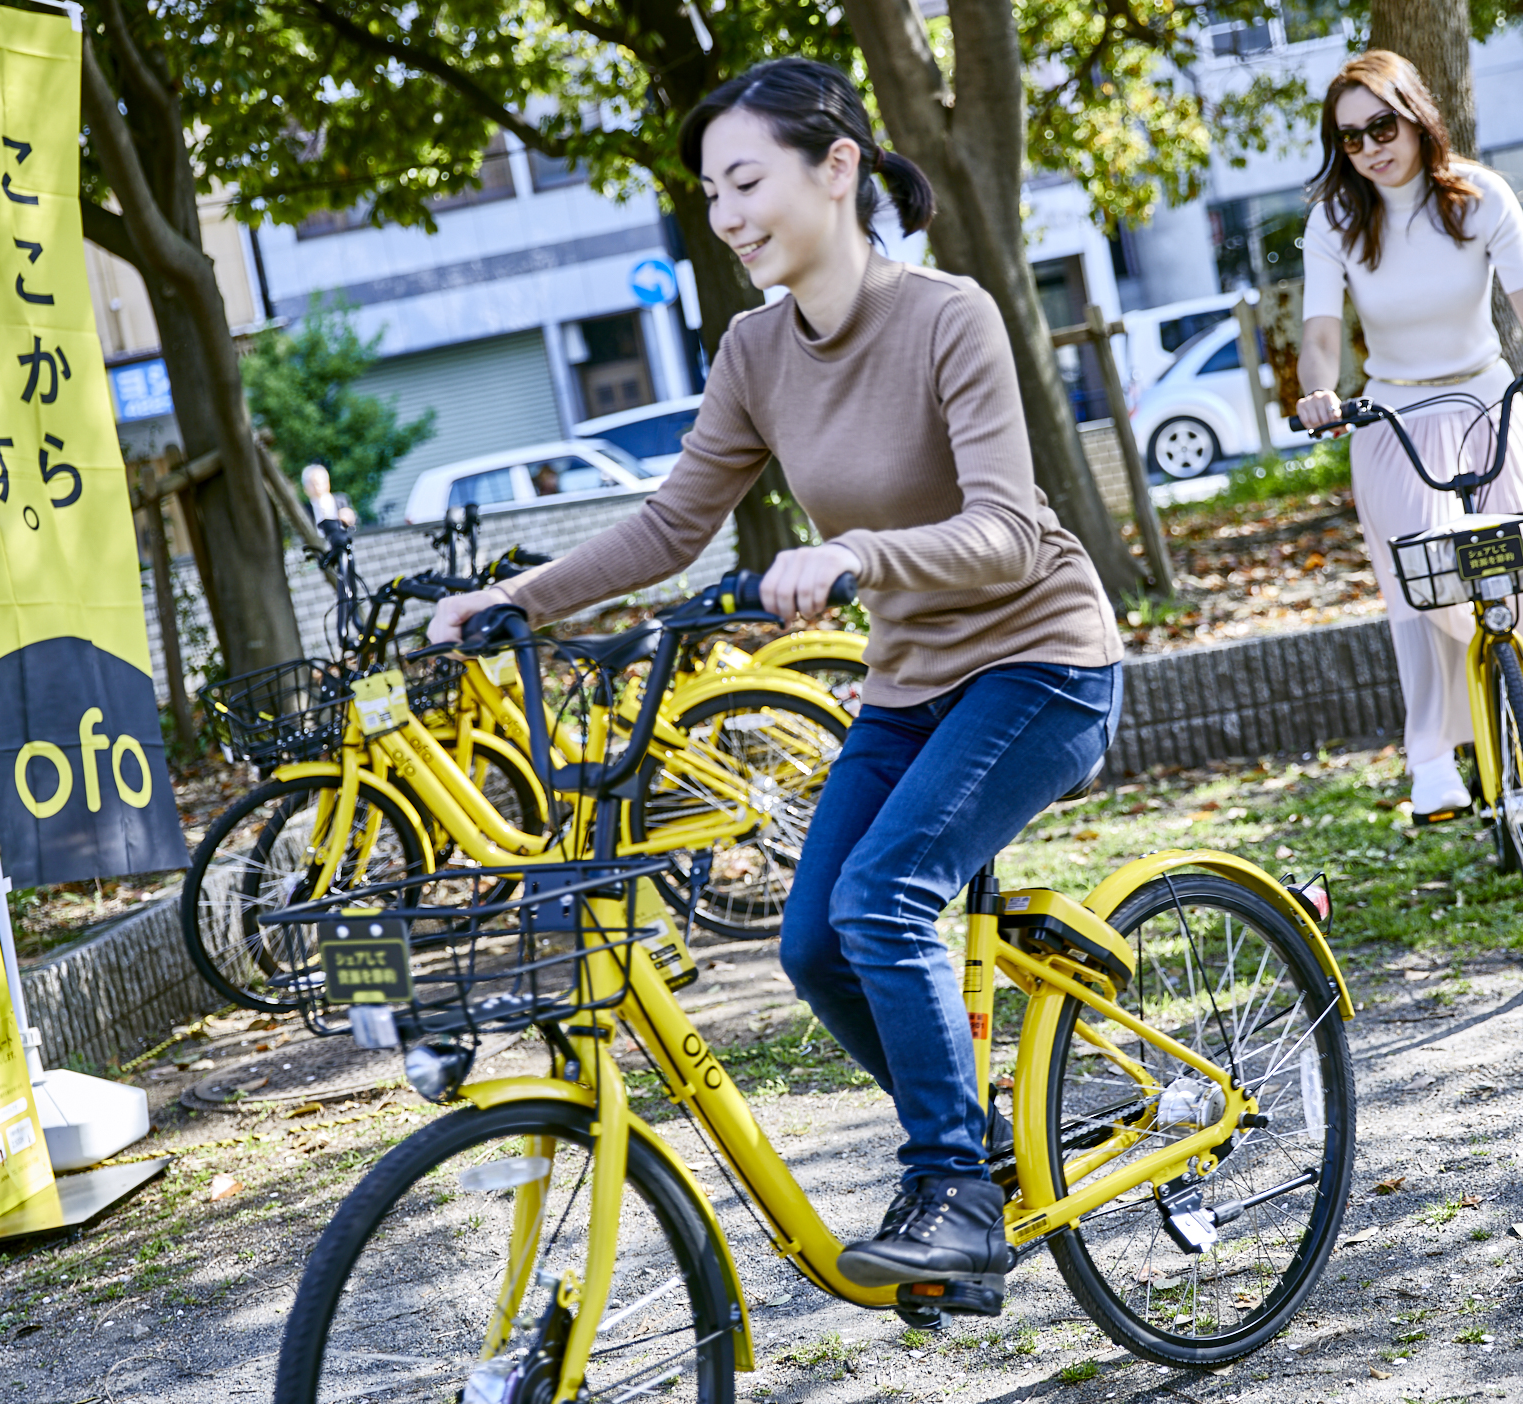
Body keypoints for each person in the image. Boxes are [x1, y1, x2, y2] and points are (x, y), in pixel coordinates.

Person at [427, 57, 1123, 1293]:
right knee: (813, 944)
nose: (730, 214)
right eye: (711, 193)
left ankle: (956, 1191)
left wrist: (857, 550)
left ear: (838, 166)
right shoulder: (756, 350)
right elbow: (670, 525)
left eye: (747, 179)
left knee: (885, 897)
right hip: (912, 682)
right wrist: (512, 602)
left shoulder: (947, 316)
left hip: (1039, 662)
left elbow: (1010, 530)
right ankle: (967, 1134)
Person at [1294, 51, 1523, 817]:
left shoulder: (1480, 195)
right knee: (1416, 587)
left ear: (1416, 115)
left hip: (1487, 398)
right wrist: (1317, 389)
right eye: (1351, 138)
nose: (1372, 147)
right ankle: (1433, 761)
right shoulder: (1336, 221)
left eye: (1382, 124)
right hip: (1393, 415)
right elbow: (1320, 332)